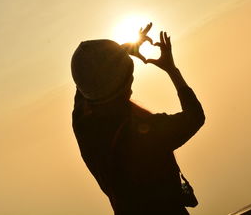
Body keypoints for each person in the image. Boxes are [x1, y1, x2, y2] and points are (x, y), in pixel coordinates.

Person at [71, 23, 205, 214]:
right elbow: (195, 116)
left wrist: (123, 51)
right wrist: (171, 69)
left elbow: (88, 77)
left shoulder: (84, 126)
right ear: (126, 81)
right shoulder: (146, 133)